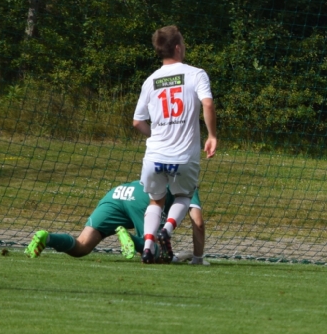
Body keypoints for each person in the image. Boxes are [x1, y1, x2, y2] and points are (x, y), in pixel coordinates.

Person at [133, 25, 216, 264]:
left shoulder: (150, 80)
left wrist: (156, 136)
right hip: (183, 156)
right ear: (178, 47)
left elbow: (137, 121)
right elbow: (208, 104)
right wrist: (212, 135)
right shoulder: (196, 74)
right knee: (183, 196)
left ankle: (147, 247)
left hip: (154, 155)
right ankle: (167, 230)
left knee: (156, 201)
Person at [24, 181, 208, 265]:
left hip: (118, 193)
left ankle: (48, 238)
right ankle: (129, 237)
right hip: (143, 199)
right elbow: (198, 223)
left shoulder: (162, 169)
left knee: (82, 246)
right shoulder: (188, 183)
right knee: (157, 254)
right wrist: (197, 258)